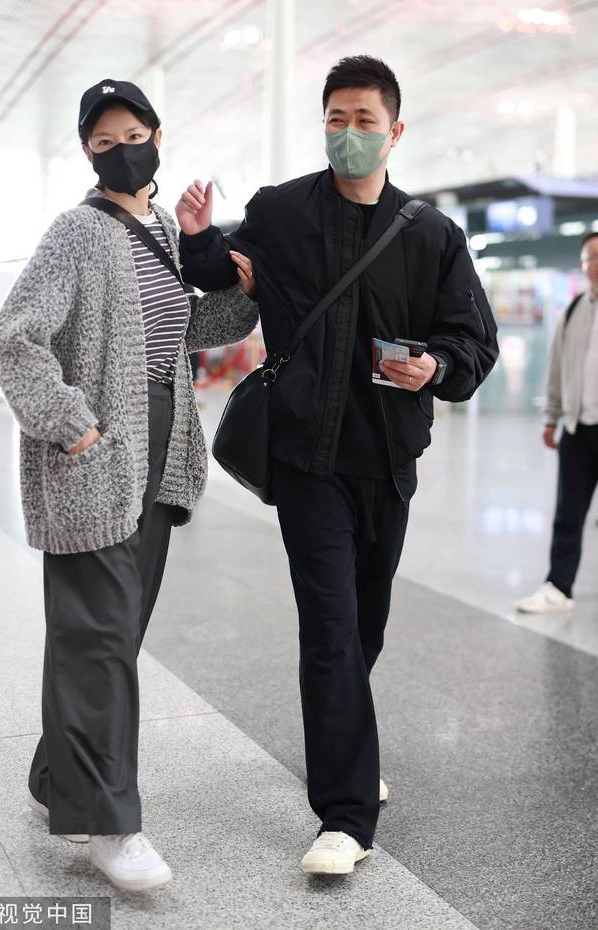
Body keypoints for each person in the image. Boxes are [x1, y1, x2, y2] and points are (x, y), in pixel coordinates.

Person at [176, 55, 499, 875]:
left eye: (363, 121)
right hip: (306, 460)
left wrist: (436, 366)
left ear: (395, 132)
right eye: (335, 119)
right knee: (328, 629)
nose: (347, 134)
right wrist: (199, 236)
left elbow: (474, 342)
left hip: (387, 460)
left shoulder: (430, 236)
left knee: (364, 623)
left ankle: (348, 747)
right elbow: (221, 272)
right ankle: (344, 816)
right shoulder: (282, 212)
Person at [0, 78, 258, 892]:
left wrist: (240, 298)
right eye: (103, 141)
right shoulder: (75, 232)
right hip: (94, 458)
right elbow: (14, 337)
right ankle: (108, 821)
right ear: (87, 153)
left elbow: (183, 330)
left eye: (131, 133)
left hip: (158, 454)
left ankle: (54, 779)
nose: (120, 149)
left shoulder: (166, 235)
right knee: (99, 637)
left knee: (112, 631)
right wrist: (71, 421)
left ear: (158, 135)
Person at [515, 233, 598, 614]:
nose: (594, 263)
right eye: (589, 257)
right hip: (578, 430)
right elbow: (557, 368)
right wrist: (551, 417)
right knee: (568, 513)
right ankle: (558, 587)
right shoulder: (574, 309)